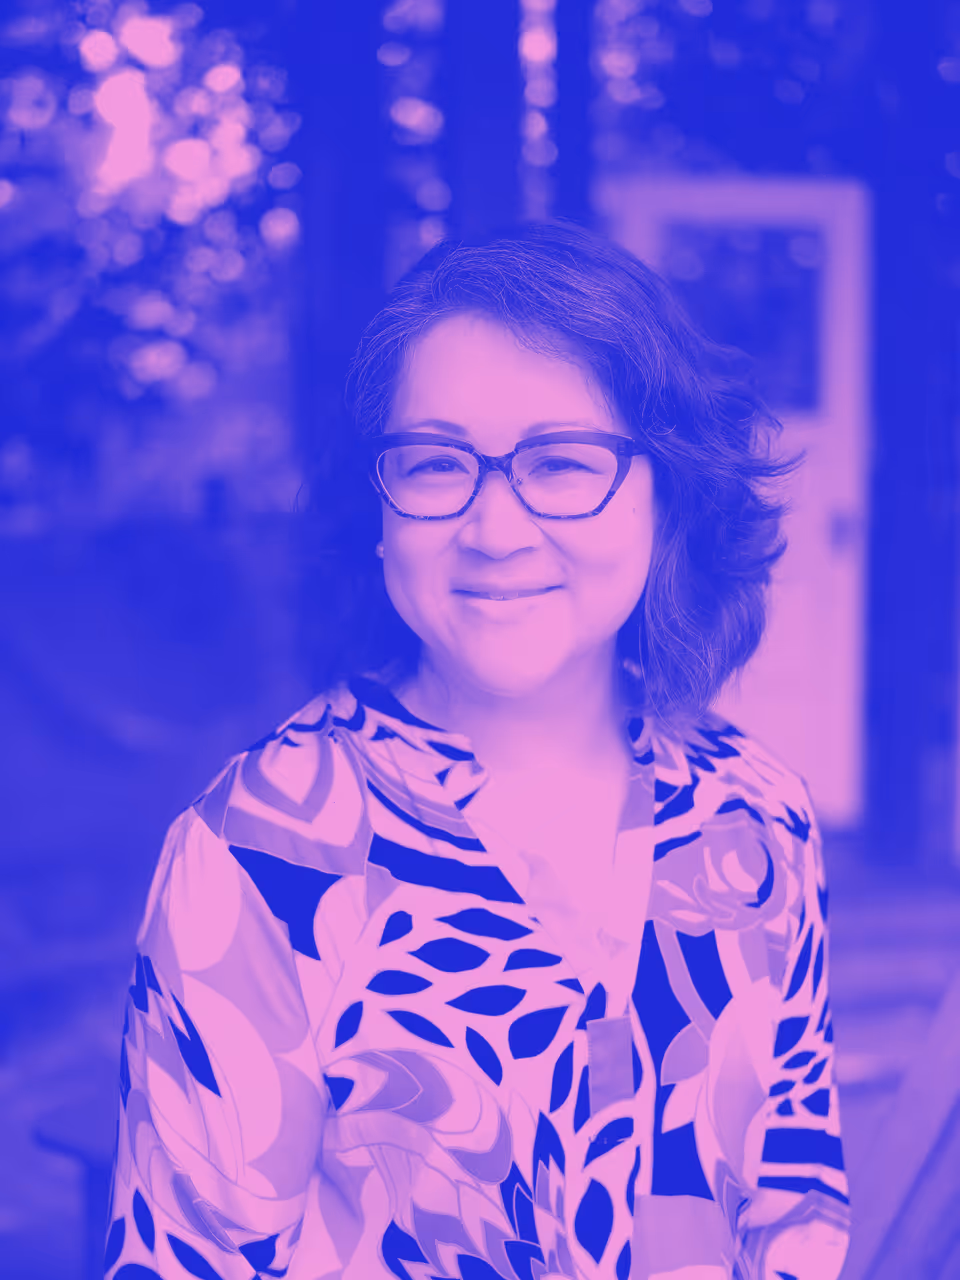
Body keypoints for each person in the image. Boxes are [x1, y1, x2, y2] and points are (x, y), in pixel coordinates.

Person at [104, 221, 850, 1280]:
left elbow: (795, 1198)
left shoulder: (760, 814)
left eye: (562, 461)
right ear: (379, 511)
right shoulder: (258, 856)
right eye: (434, 462)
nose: (495, 529)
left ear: (668, 491)